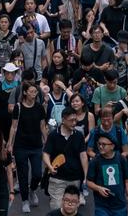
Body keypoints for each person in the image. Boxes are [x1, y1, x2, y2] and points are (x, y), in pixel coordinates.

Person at [7, 82, 47, 213]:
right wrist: (9, 143)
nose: (34, 94)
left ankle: (32, 191)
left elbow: (42, 126)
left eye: (35, 92)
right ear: (25, 92)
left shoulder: (40, 108)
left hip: (36, 146)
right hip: (21, 146)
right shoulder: (18, 108)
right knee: (23, 175)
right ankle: (25, 200)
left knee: (37, 174)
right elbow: (13, 126)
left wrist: (47, 142)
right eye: (31, 91)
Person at [44, 109, 88, 209]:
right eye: (71, 120)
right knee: (57, 208)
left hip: (75, 178)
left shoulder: (79, 135)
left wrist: (85, 176)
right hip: (57, 178)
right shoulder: (53, 135)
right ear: (63, 120)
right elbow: (46, 154)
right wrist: (50, 167)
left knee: (71, 209)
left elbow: (83, 156)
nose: (74, 123)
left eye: (75, 120)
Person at [86, 132, 128, 216]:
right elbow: (89, 182)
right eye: (99, 144)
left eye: (104, 144)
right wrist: (98, 188)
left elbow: (127, 182)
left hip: (120, 205)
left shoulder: (121, 159)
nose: (100, 146)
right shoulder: (95, 161)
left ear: (112, 146)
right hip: (101, 206)